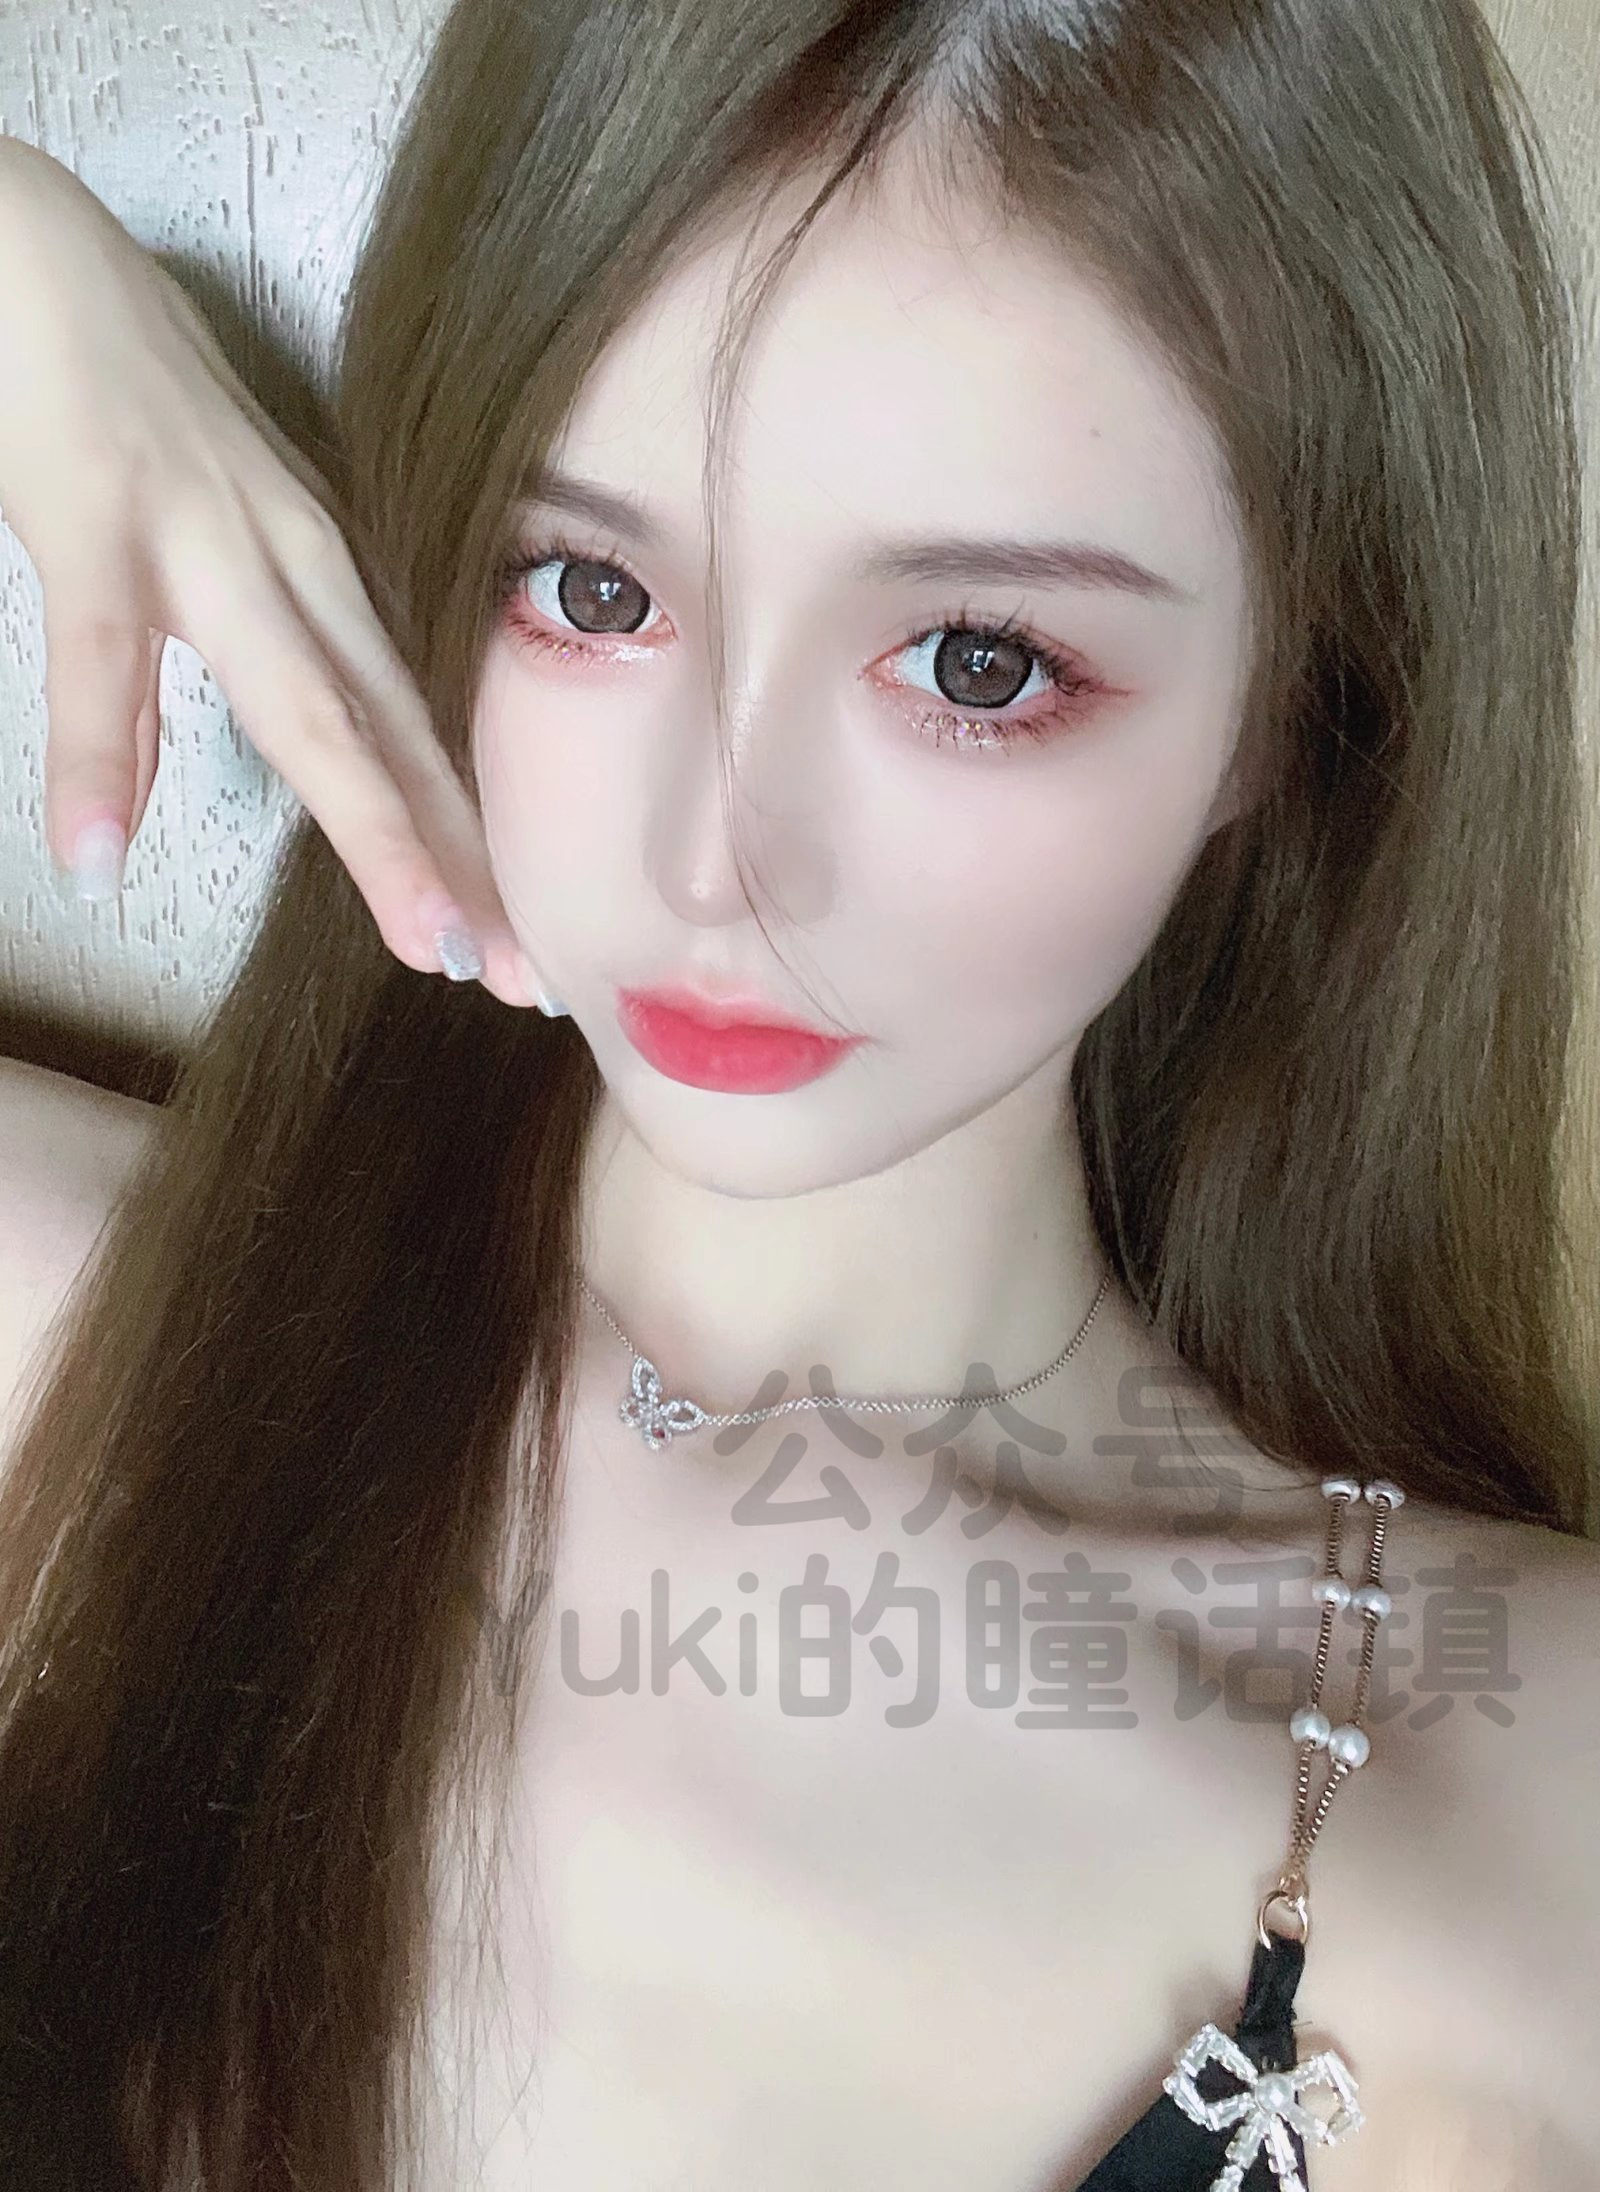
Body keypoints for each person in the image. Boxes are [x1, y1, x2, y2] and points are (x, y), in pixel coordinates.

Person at [0, 1, 1596, 2187]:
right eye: (591, 590)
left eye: (973, 662)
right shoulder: (73, 1331)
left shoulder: (1509, 1773)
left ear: (1286, 697)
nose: (710, 859)